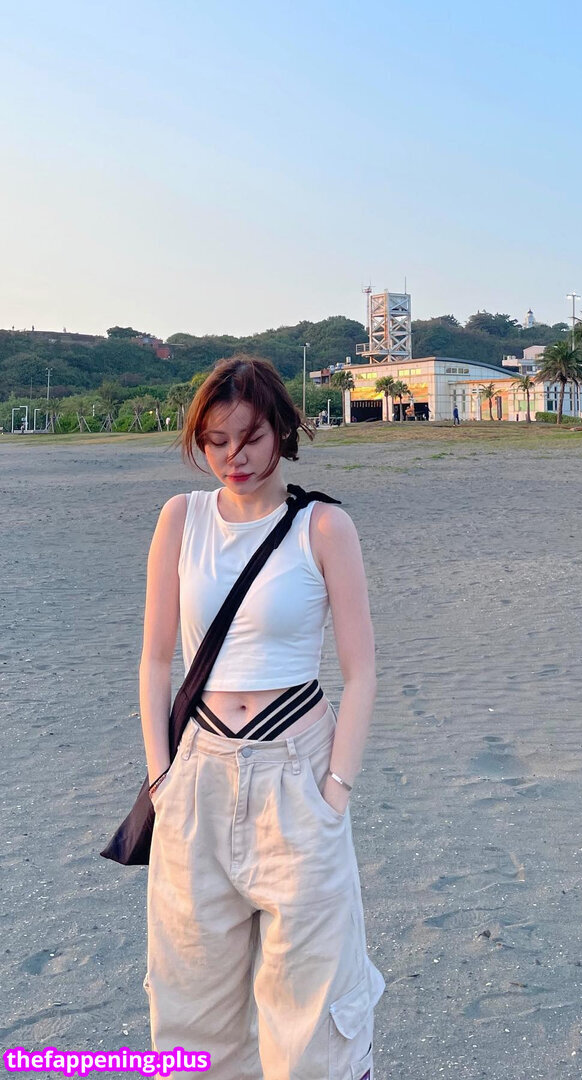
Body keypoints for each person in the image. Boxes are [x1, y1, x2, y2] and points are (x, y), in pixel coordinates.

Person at [139, 354, 384, 1079]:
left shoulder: (323, 526)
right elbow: (154, 661)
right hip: (198, 775)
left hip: (297, 771)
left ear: (282, 429)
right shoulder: (181, 519)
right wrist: (161, 779)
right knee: (191, 1009)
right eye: (215, 441)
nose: (233, 457)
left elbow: (362, 671)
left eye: (249, 437)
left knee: (312, 1015)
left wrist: (336, 791)